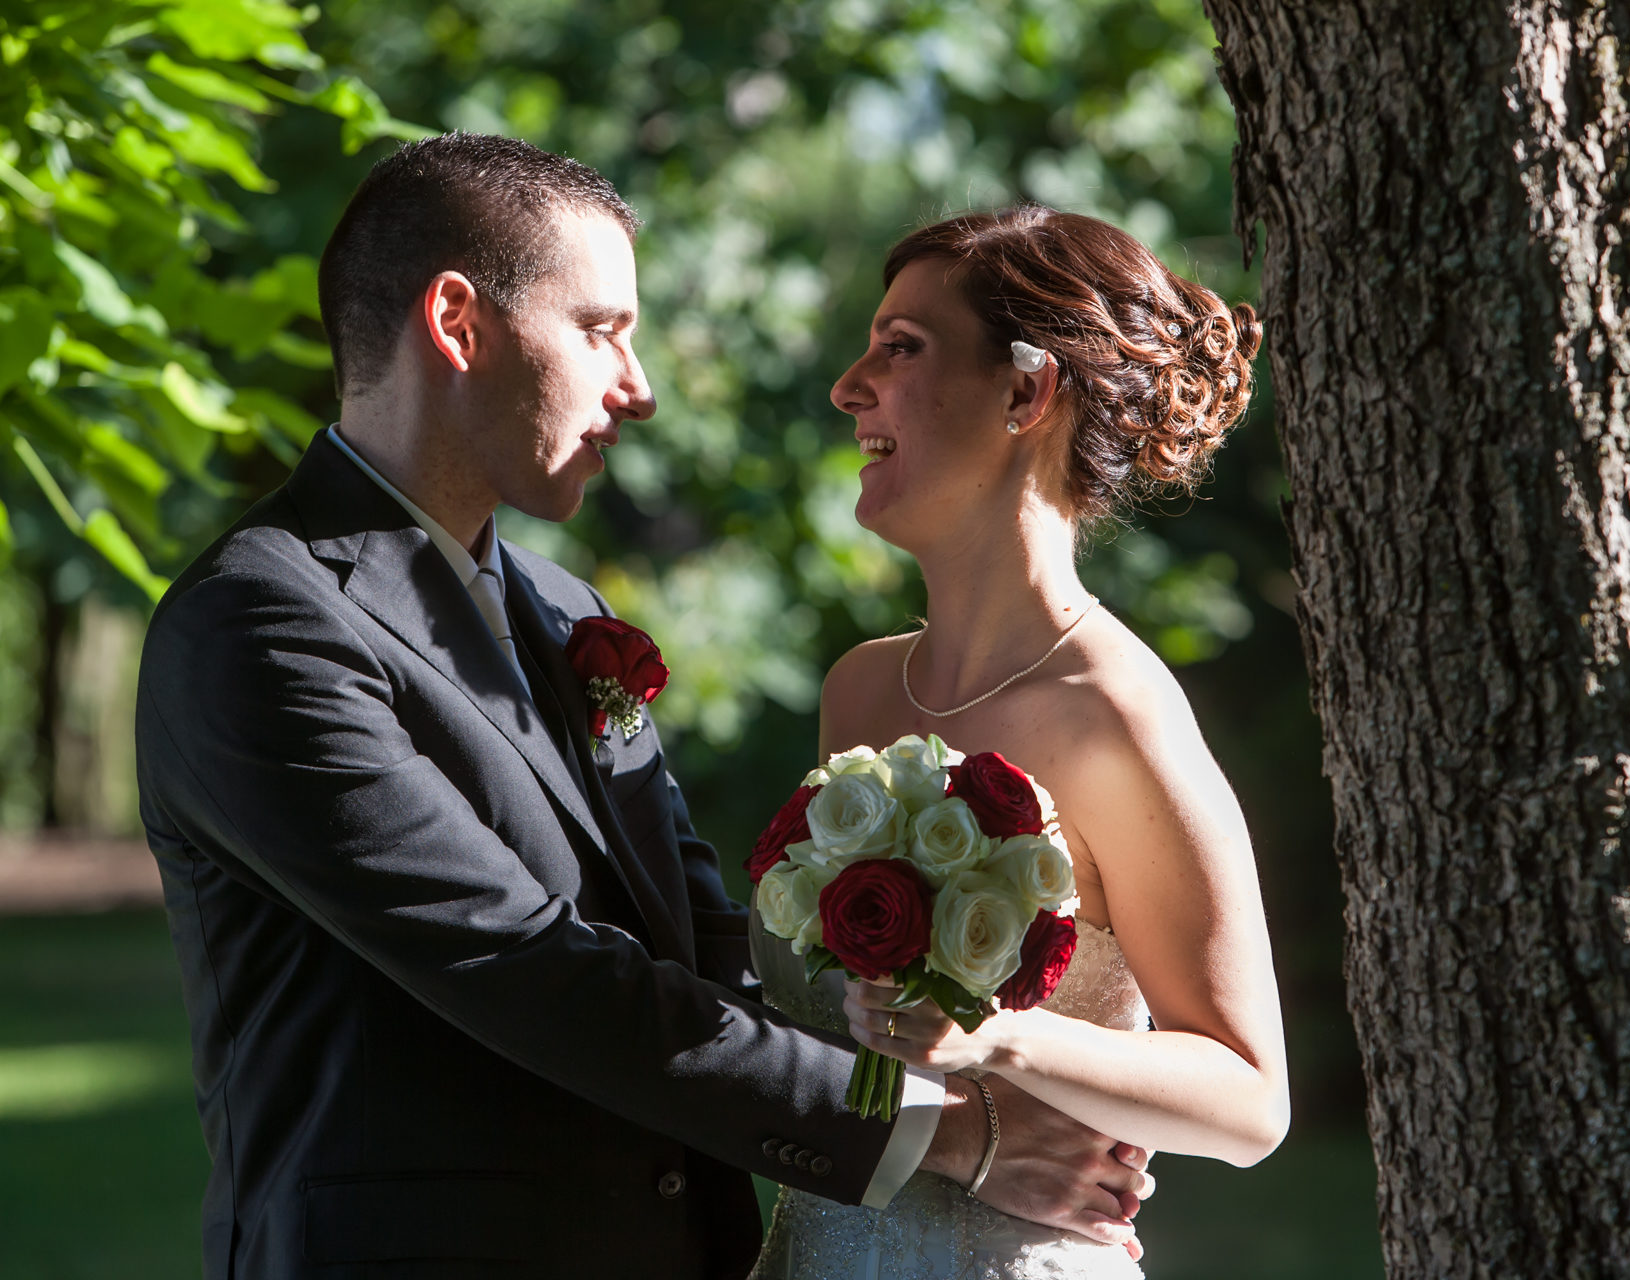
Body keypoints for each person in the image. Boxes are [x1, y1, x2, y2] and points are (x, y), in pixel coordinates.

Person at [133, 135, 1151, 1280]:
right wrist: (948, 1139)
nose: (641, 387)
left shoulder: (568, 613)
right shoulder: (260, 621)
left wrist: (938, 1042)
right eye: (603, 331)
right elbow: (520, 965)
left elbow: (700, 936)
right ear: (458, 322)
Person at [747, 207, 1291, 1279]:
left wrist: (1004, 1039)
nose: (848, 387)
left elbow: (1249, 1095)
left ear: (1025, 390)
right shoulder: (859, 692)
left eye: (899, 348)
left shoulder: (1112, 710)